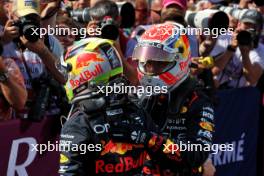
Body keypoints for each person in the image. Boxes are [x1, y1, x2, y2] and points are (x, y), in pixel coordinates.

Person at [110, 22, 215, 176]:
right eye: (147, 62)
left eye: (159, 63)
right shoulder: (136, 96)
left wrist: (149, 139)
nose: (150, 70)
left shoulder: (197, 101)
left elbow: (197, 155)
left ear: (180, 60)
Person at [59, 37, 158, 175]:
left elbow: (69, 173)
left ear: (85, 72)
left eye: (68, 72)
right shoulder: (135, 108)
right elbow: (160, 158)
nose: (68, 78)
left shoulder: (78, 122)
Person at [211, 9, 264, 88]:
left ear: (260, 30)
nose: (249, 29)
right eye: (246, 24)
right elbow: (213, 71)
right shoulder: (225, 37)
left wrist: (245, 53)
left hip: (239, 95)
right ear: (239, 24)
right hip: (217, 89)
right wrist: (231, 48)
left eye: (254, 27)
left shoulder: (261, 50)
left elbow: (252, 79)